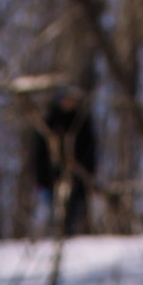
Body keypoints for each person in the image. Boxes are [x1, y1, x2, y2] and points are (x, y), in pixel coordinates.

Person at [32, 83, 98, 237]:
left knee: (74, 212)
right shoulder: (49, 122)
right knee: (52, 212)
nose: (69, 103)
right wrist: (41, 179)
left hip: (77, 176)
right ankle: (52, 237)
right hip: (51, 177)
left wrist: (88, 173)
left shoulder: (82, 124)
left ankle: (70, 236)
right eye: (67, 99)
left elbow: (90, 152)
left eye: (72, 100)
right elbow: (39, 154)